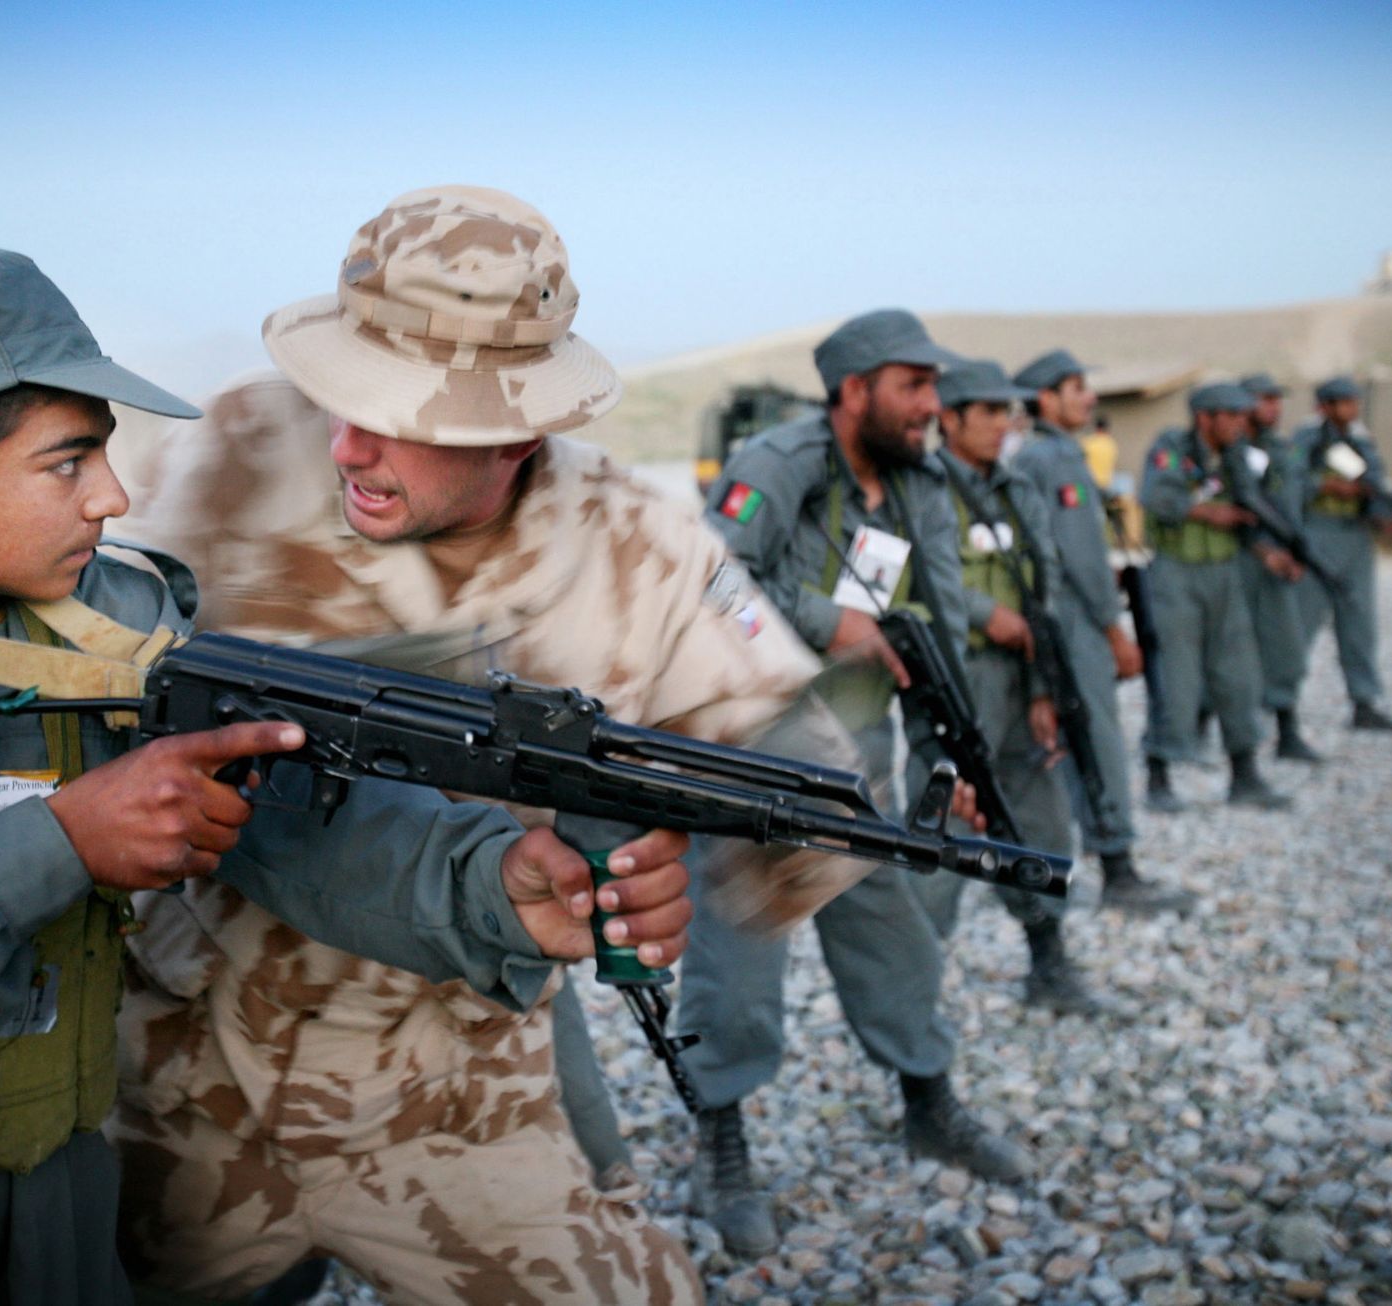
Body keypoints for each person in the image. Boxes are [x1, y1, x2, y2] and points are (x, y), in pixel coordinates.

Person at [0, 249, 693, 1306]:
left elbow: (281, 817)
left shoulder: (120, 616)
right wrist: (64, 843)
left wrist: (489, 883)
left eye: (104, 456)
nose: (113, 497)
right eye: (65, 464)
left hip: (51, 1211)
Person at [111, 185, 869, 1302]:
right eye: (341, 395)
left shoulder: (637, 547)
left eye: (402, 418)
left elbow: (785, 761)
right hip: (188, 1066)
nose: (350, 443)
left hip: (457, 1084)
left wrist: (688, 874)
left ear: (517, 431)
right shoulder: (225, 453)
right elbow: (70, 661)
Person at [687, 309, 1052, 1256]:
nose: (932, 405)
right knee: (737, 971)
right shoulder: (776, 462)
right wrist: (825, 620)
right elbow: (705, 579)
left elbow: (934, 633)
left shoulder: (920, 484)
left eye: (934, 387)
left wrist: (952, 762)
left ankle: (928, 1103)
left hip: (865, 766)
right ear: (853, 392)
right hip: (758, 758)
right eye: (913, 386)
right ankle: (720, 1143)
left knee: (897, 940)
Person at [1010, 351, 1190, 911]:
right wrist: (1115, 632)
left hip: (1049, 613)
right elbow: (1082, 555)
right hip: (1074, 619)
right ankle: (1119, 868)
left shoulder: (1032, 455)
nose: (1089, 398)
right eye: (1077, 388)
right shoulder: (1058, 457)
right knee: (1097, 739)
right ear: (1046, 399)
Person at [915, 360, 1075, 947]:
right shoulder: (920, 489)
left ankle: (1047, 950)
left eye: (1008, 412)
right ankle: (919, 980)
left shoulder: (1018, 491)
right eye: (988, 412)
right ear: (950, 420)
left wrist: (1042, 688)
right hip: (959, 679)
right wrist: (986, 615)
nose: (1004, 425)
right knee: (945, 824)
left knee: (1042, 820)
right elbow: (916, 575)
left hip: (1018, 676)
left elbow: (1044, 588)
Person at [1137, 383, 1292, 811]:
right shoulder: (1171, 448)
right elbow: (1156, 497)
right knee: (1176, 677)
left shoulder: (1237, 457)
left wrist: (1269, 551)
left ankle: (1245, 775)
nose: (1243, 423)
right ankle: (1159, 776)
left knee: (1239, 675)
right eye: (1234, 415)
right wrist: (1208, 511)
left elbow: (1249, 511)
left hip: (1225, 572)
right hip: (1176, 573)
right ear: (1206, 417)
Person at [1289, 376, 1392, 730]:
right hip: (1316, 532)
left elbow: (1374, 483)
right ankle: (1282, 704)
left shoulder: (1359, 442)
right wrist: (1324, 485)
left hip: (1354, 537)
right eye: (1343, 402)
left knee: (1359, 624)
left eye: (1354, 401)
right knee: (1301, 624)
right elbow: (1288, 481)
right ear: (1324, 406)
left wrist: (1386, 517)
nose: (1351, 408)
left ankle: (1364, 701)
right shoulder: (1305, 440)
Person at [1237, 373, 1321, 762]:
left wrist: (1294, 552)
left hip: (1283, 561)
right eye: (1264, 399)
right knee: (1227, 650)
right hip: (1240, 562)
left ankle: (1286, 729)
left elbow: (1292, 504)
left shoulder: (1284, 449)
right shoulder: (1230, 451)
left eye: (1276, 399)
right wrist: (1262, 550)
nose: (1273, 407)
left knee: (1286, 647)